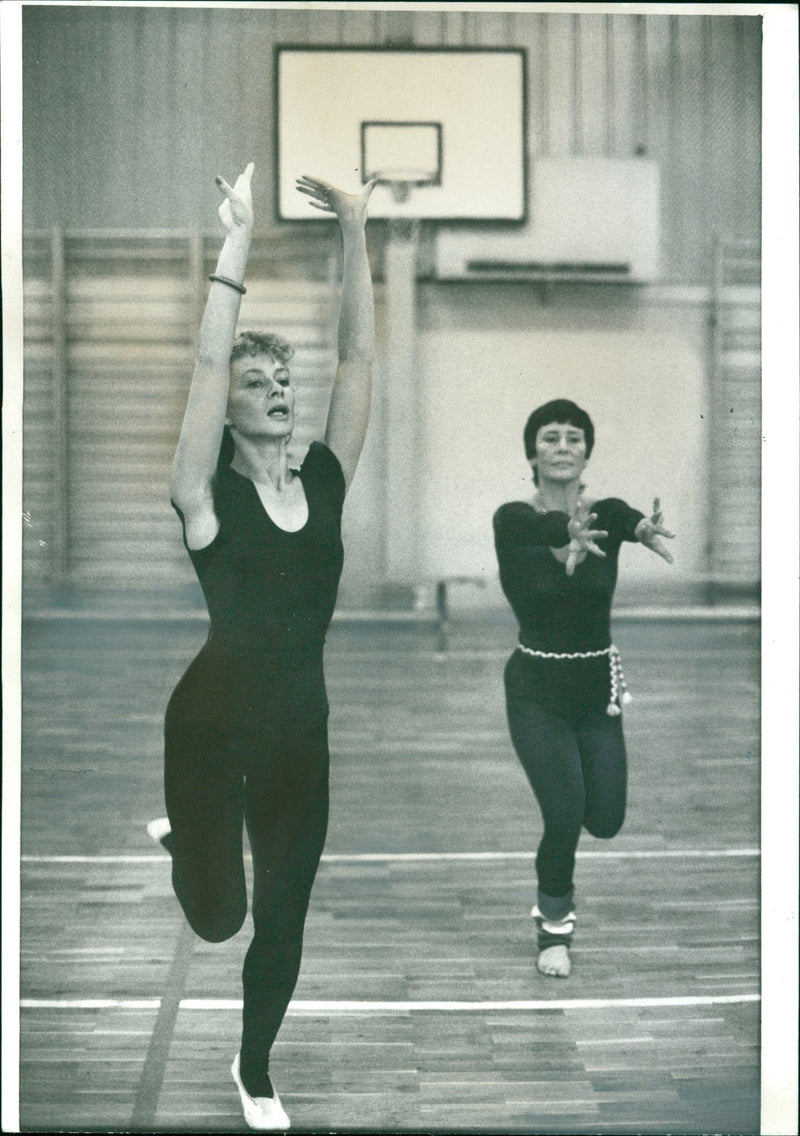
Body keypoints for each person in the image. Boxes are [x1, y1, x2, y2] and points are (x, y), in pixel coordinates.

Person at [148, 162, 376, 1130]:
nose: (278, 388)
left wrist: (355, 230)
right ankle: (185, 844)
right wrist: (236, 240)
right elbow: (205, 365)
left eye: (283, 377)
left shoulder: (323, 478)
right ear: (230, 408)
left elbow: (360, 363)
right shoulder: (206, 497)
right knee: (217, 917)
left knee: (279, 917)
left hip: (299, 736)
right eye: (259, 381)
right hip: (208, 732)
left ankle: (254, 1067)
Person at [493, 399, 674, 979]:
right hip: (535, 690)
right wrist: (563, 528)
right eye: (551, 437)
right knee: (565, 811)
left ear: (587, 452)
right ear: (532, 453)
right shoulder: (512, 521)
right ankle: (554, 927)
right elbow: (535, 525)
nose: (564, 445)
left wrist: (641, 529)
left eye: (575, 437)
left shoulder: (605, 514)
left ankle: (558, 904)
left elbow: (622, 516)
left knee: (606, 820)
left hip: (597, 689)